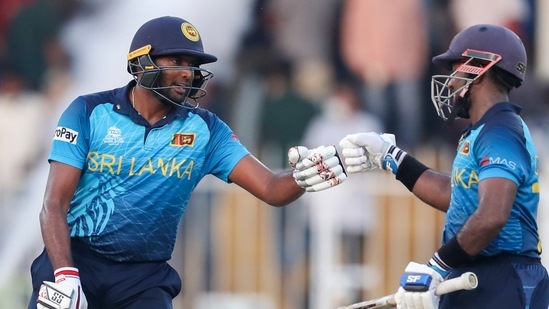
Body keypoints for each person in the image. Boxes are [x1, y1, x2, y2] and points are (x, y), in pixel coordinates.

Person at [28, 16, 346, 309]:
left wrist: (308, 173)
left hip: (143, 277)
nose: (187, 72)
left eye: (192, 64)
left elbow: (272, 188)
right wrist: (66, 275)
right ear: (141, 63)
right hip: (75, 258)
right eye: (177, 61)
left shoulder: (206, 129)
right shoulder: (87, 111)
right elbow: (53, 204)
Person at [339, 24, 549, 308]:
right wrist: (392, 158)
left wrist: (436, 266)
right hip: (477, 273)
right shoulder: (482, 130)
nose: (450, 82)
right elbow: (459, 197)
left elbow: (491, 215)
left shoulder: (501, 132)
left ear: (480, 68)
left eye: (456, 69)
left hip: (504, 278)